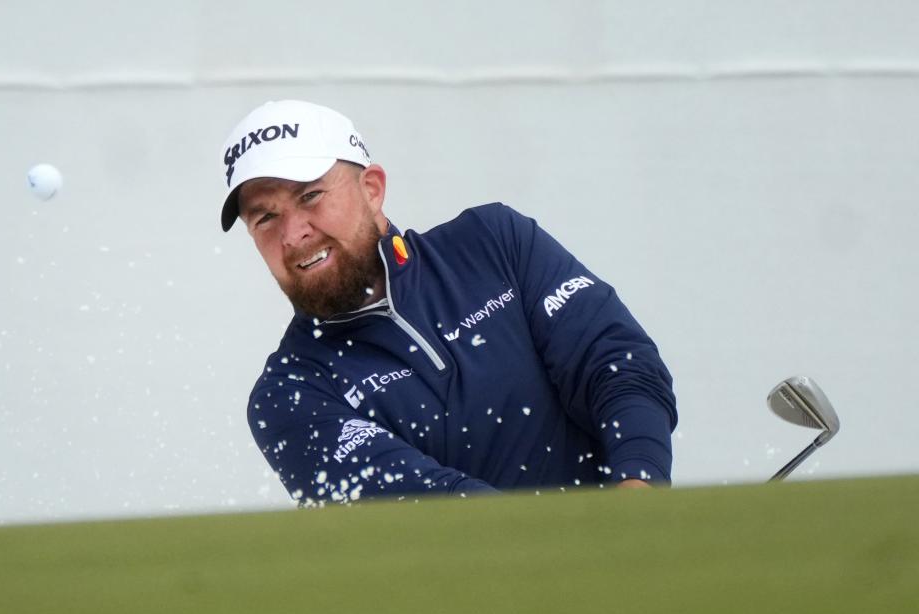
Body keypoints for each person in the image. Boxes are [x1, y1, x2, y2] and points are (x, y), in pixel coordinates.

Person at [219, 100, 678, 506]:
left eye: (311, 195)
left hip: (629, 560)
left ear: (372, 189)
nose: (293, 232)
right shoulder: (289, 394)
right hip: (479, 597)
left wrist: (636, 495)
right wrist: (566, 550)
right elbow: (430, 505)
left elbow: (619, 366)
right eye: (265, 217)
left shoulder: (494, 243)